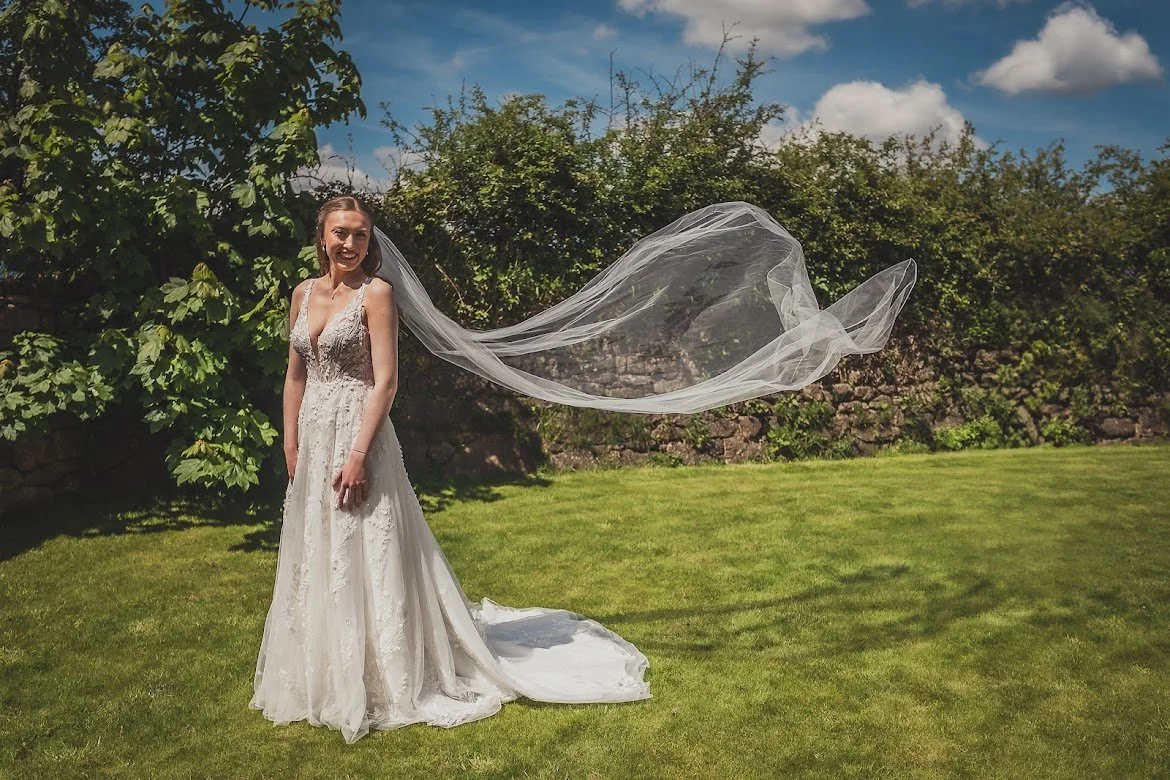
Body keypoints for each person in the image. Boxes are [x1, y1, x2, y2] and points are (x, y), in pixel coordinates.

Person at [248, 196, 651, 745]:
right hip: (314, 436)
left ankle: (386, 673)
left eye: (360, 236)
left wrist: (360, 453)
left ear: (371, 243)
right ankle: (322, 671)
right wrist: (291, 443)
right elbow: (296, 375)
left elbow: (385, 381)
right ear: (322, 237)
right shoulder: (300, 294)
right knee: (320, 547)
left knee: (368, 542)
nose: (349, 244)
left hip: (358, 432)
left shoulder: (378, 294)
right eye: (340, 233)